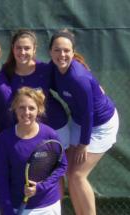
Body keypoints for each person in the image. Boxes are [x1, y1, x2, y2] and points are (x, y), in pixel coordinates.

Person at [49, 30, 119, 215]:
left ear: (73, 52)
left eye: (66, 50)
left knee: (77, 175)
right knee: (69, 173)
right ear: (50, 52)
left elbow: (89, 113)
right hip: (80, 122)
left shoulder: (77, 78)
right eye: (57, 50)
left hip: (100, 125)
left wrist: (83, 144)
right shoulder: (53, 69)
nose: (62, 55)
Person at [0, 87, 67, 215]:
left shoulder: (50, 134)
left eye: (31, 108)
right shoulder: (5, 139)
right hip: (18, 206)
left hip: (48, 205)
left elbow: (61, 166)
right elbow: (2, 179)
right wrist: (7, 210)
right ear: (15, 108)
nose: (26, 112)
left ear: (39, 110)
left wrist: (40, 187)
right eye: (22, 107)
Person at [1, 29, 69, 148]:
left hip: (56, 125)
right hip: (27, 131)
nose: (22, 52)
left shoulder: (45, 70)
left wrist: (93, 83)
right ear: (13, 48)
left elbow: (68, 82)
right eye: (19, 48)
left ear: (34, 49)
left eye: (27, 48)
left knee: (62, 164)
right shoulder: (6, 72)